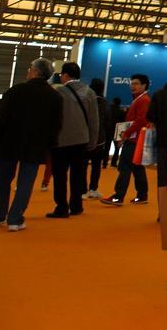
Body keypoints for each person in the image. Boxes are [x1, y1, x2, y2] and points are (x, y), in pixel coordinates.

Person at [0, 59, 63, 231]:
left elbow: (0, 117)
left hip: (9, 142)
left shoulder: (16, 90)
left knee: (3, 178)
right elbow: (56, 125)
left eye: (30, 69)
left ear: (35, 72)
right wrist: (49, 144)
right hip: (35, 145)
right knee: (26, 182)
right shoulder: (55, 97)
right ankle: (15, 219)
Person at [49, 63, 99, 218]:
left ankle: (61, 207)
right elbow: (94, 120)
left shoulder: (58, 92)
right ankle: (76, 206)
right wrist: (92, 141)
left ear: (65, 75)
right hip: (81, 140)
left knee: (59, 175)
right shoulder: (89, 92)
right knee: (78, 175)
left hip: (61, 141)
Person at [101, 74, 151, 206]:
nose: (132, 86)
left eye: (136, 83)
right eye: (132, 83)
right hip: (136, 139)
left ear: (144, 85)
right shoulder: (140, 99)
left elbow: (141, 120)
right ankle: (142, 196)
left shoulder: (143, 100)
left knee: (125, 167)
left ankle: (118, 196)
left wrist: (126, 134)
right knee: (137, 167)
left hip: (134, 139)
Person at [84, 79, 111, 199]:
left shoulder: (86, 100)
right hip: (100, 139)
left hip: (85, 137)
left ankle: (82, 190)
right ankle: (93, 189)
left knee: (83, 165)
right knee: (96, 165)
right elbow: (107, 121)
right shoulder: (104, 103)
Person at [107, 97, 125, 168]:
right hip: (118, 131)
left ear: (113, 102)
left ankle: (105, 162)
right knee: (117, 148)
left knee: (107, 146)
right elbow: (123, 122)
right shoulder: (121, 112)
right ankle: (114, 163)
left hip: (109, 130)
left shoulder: (109, 110)